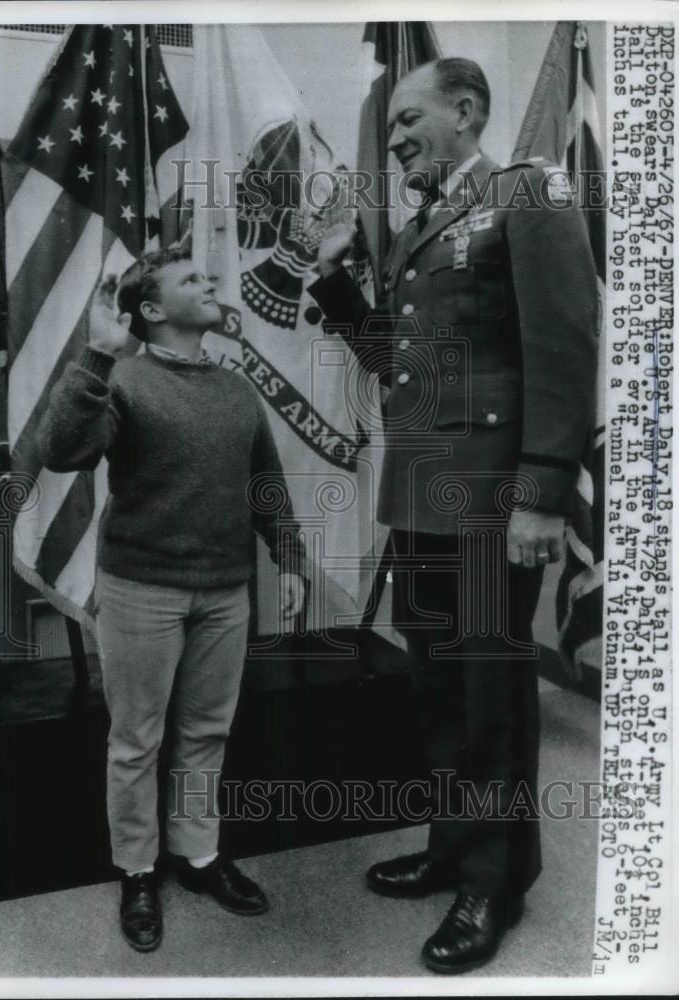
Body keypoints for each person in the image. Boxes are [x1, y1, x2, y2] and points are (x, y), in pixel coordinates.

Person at [309, 58, 597, 973]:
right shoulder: (416, 229)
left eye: (408, 119)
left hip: (489, 506)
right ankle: (450, 845)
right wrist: (334, 282)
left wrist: (542, 491)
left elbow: (564, 340)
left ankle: (493, 881)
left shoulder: (528, 193)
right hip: (421, 501)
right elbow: (399, 363)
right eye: (390, 127)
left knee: (489, 700)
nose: (392, 140)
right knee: (435, 688)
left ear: (467, 110)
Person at [37, 249, 306, 953]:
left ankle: (197, 855)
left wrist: (290, 556)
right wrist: (95, 354)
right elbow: (62, 452)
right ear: (151, 311)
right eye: (192, 280)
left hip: (225, 590)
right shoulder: (119, 377)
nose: (210, 283)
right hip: (140, 590)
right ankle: (136, 870)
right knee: (137, 741)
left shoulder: (234, 387)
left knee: (205, 734)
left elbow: (264, 481)